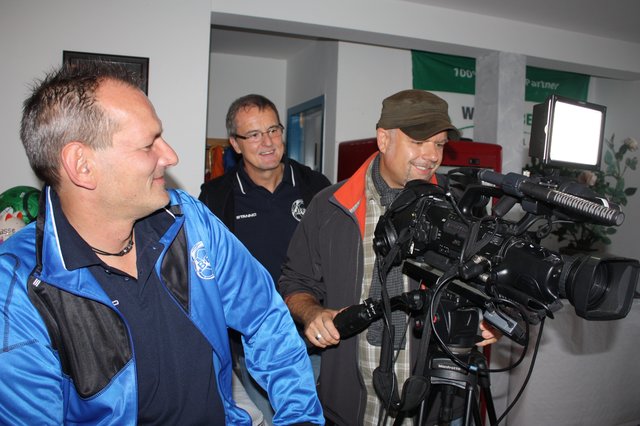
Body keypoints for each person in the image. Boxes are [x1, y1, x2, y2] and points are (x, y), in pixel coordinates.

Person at [0, 62, 323, 425]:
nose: (170, 156)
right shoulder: (16, 290)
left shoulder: (189, 220)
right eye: (147, 144)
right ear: (82, 164)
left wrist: (300, 417)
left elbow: (265, 315)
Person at [278, 89, 500, 425]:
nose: (431, 155)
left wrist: (489, 317)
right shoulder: (329, 206)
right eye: (419, 140)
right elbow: (295, 283)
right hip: (350, 408)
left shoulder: (461, 209)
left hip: (435, 408)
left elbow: (489, 284)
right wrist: (312, 314)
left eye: (438, 143)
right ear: (384, 139)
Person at [199, 94, 331, 424]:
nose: (268, 142)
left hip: (313, 342)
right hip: (252, 351)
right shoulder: (216, 197)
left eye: (273, 130)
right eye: (254, 134)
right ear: (235, 144)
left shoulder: (316, 187)